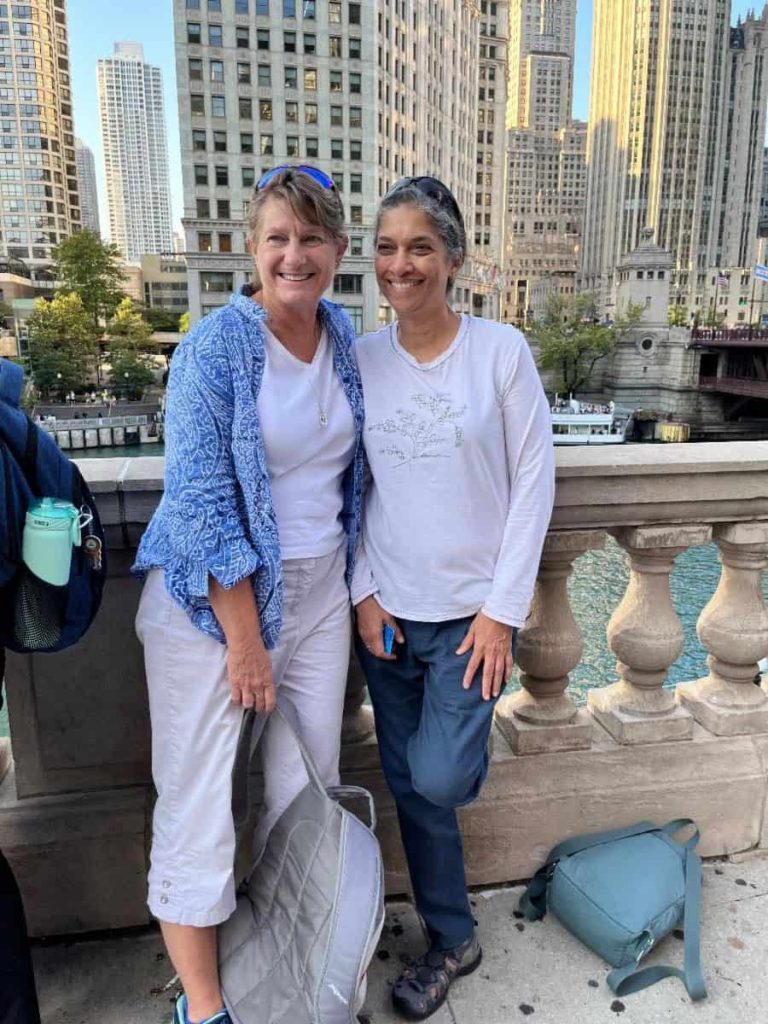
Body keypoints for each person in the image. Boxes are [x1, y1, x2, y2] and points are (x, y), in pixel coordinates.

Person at [132, 166, 365, 1024]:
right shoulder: (213, 347)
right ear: (250, 248)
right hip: (211, 609)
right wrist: (244, 641)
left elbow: (353, 481)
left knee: (311, 790)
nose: (293, 255)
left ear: (338, 251)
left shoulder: (342, 335)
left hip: (320, 595)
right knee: (198, 803)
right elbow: (199, 502)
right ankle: (205, 1007)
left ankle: (291, 965)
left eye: (310, 239)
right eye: (277, 238)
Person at [352, 177, 555, 1021]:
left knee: (437, 777)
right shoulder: (361, 359)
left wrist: (503, 611)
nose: (403, 265)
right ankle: (451, 937)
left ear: (455, 261)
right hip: (388, 617)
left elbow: (535, 482)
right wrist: (364, 592)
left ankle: (461, 740)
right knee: (408, 788)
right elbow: (346, 486)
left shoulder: (500, 352)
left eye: (421, 248)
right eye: (389, 248)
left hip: (472, 623)